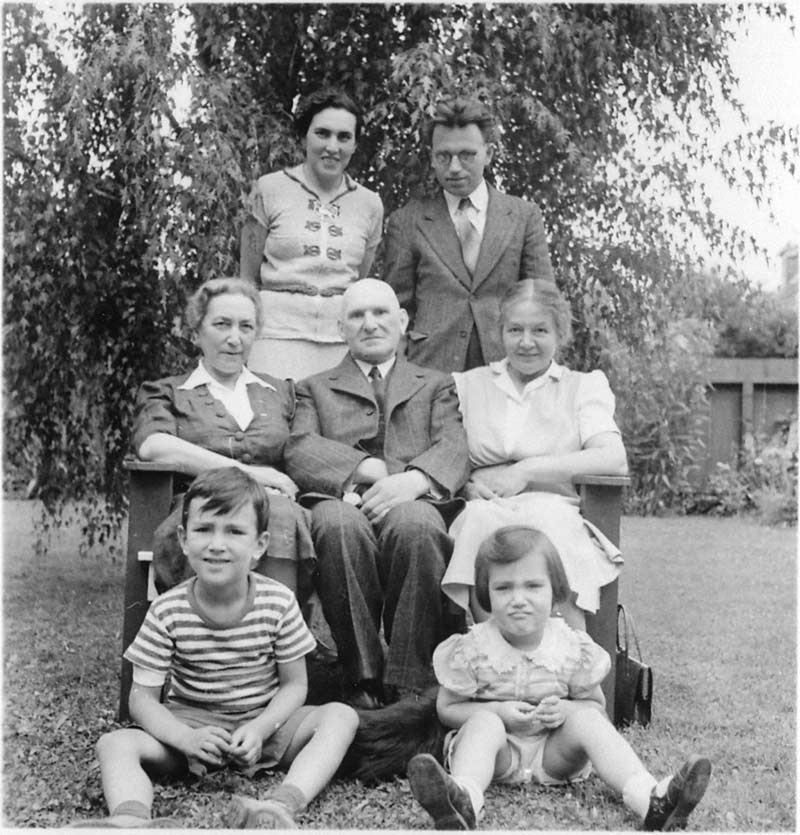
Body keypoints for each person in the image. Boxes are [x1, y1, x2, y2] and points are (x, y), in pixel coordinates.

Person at [75, 468, 359, 828]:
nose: (217, 544)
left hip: (263, 728)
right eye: (204, 529)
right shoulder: (168, 610)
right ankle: (130, 818)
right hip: (189, 729)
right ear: (183, 538)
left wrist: (259, 728)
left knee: (340, 716)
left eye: (235, 531)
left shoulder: (278, 602)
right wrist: (185, 738)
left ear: (259, 545)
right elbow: (142, 699)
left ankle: (281, 805)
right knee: (115, 743)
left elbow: (294, 685)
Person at [408, 526, 712, 832]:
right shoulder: (473, 649)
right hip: (497, 757)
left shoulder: (571, 648)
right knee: (485, 725)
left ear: (555, 593)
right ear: (486, 595)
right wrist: (497, 713)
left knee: (588, 723)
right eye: (503, 588)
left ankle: (649, 798)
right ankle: (465, 801)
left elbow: (595, 707)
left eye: (532, 586)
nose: (518, 599)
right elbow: (446, 709)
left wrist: (567, 711)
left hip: (554, 755)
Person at [284, 278, 470, 710]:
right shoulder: (313, 387)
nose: (370, 323)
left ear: (402, 321)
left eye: (381, 312)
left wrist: (413, 481)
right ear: (341, 328)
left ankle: (409, 678)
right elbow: (299, 447)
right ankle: (361, 676)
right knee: (336, 526)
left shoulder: (435, 384)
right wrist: (364, 470)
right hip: (341, 501)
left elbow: (454, 445)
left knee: (417, 526)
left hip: (414, 499)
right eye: (357, 315)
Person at [441, 279, 628, 630]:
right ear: (501, 333)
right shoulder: (467, 385)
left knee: (550, 528)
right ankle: (492, 650)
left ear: (560, 333)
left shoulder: (582, 386)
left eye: (539, 330)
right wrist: (465, 484)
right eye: (515, 330)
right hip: (485, 504)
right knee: (476, 523)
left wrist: (527, 470)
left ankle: (572, 662)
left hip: (553, 506)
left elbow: (612, 457)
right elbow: (442, 452)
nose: (526, 342)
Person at [132, 277, 314, 596]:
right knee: (275, 512)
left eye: (246, 327)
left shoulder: (282, 392)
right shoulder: (166, 391)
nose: (234, 338)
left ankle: (277, 635)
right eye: (222, 324)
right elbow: (153, 445)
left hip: (278, 509)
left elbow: (305, 447)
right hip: (200, 508)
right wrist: (251, 475)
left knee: (283, 512)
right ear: (196, 331)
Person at [383, 96, 554, 373]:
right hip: (430, 371)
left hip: (507, 369)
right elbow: (394, 313)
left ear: (488, 153)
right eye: (443, 156)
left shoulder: (524, 216)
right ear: (431, 157)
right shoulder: (407, 222)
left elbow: (544, 302)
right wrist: (401, 376)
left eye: (466, 155)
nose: (454, 167)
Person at [241, 87, 384, 380]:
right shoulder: (269, 189)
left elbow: (359, 279)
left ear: (355, 145)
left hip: (342, 344)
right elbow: (247, 279)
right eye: (323, 133)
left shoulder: (370, 204)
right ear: (304, 136)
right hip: (275, 338)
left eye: (344, 137)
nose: (333, 146)